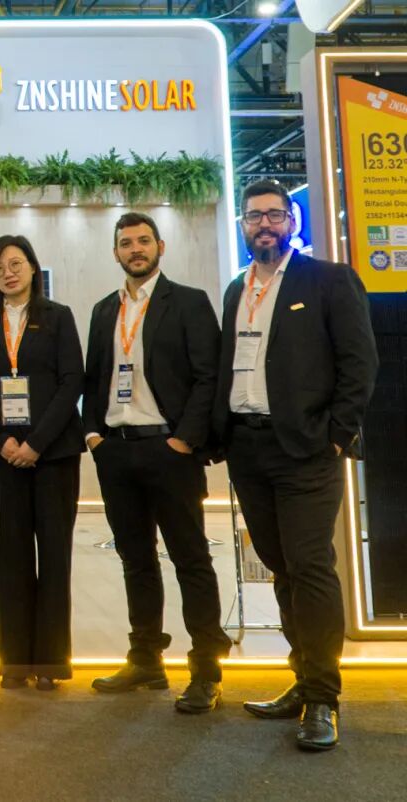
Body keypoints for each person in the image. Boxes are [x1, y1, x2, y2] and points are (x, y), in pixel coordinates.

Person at [214, 180, 378, 751]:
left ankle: (324, 699)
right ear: (243, 225)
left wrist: (336, 436)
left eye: (274, 215)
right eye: (254, 216)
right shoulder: (236, 290)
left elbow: (359, 362)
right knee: (280, 568)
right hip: (248, 448)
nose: (264, 224)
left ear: (292, 221)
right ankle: (303, 680)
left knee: (310, 567)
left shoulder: (328, 280)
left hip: (306, 450)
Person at [84, 212, 232, 713]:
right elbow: (94, 378)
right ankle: (146, 659)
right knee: (136, 560)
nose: (136, 249)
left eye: (143, 241)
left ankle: (206, 670)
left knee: (191, 559)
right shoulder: (104, 310)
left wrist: (185, 440)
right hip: (116, 450)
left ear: (160, 247)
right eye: (126, 243)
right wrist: (94, 435)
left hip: (170, 450)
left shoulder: (188, 302)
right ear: (116, 253)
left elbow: (209, 376)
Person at [0, 235, 84, 691]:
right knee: (12, 557)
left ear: (33, 268)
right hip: (5, 457)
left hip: (53, 454)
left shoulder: (58, 316)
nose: (8, 273)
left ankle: (51, 663)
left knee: (54, 557)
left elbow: (72, 381)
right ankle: (15, 662)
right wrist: (0, 443)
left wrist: (36, 443)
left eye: (15, 264)